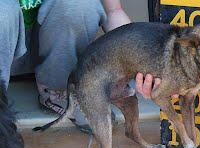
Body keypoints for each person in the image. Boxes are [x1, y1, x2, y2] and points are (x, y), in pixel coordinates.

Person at [0, 0, 162, 133]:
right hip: (7, 50)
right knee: (3, 12)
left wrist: (145, 63)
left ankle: (60, 93)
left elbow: (114, 12)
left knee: (78, 3)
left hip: (54, 51)